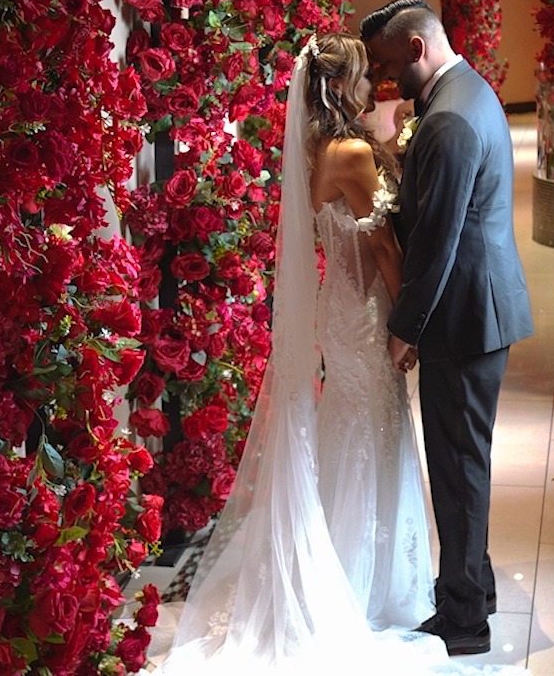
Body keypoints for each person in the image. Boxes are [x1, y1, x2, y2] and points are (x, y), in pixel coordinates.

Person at [154, 33, 444, 673]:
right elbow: (386, 251)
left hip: (335, 309)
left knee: (349, 423)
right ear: (342, 86)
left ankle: (342, 556)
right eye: (366, 77)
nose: (375, 88)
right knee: (376, 425)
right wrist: (409, 325)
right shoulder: (351, 153)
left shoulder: (315, 149)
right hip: (367, 311)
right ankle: (366, 583)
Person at [361, 0, 535, 657]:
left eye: (385, 65)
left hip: (464, 316)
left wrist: (406, 327)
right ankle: (474, 586)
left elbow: (438, 239)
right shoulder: (468, 91)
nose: (383, 80)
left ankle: (464, 618)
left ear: (414, 50)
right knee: (466, 463)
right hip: (479, 310)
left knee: (458, 467)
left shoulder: (452, 118)